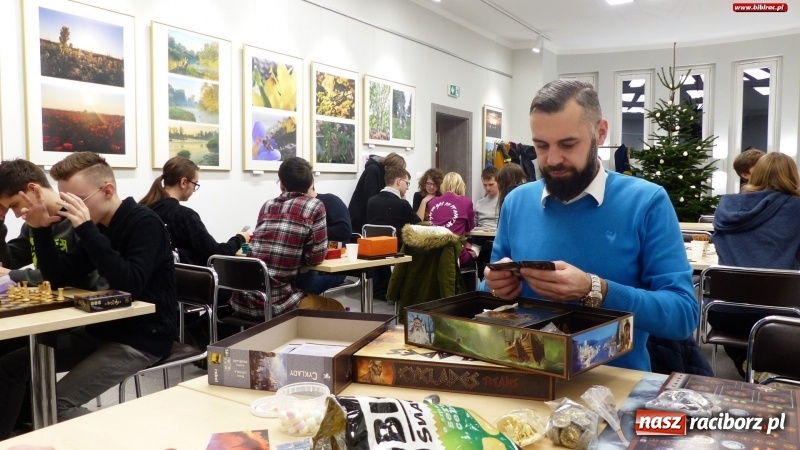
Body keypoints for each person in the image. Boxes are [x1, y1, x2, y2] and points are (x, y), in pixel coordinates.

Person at [483, 79, 697, 372]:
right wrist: (495, 287)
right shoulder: (517, 202)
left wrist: (596, 289)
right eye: (541, 146)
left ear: (600, 131)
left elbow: (682, 316)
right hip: (526, 376)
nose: (553, 159)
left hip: (616, 384)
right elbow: (489, 292)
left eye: (568, 144)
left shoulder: (646, 202)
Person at [0, 152, 177, 433]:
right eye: (66, 199)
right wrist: (41, 230)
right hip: (100, 329)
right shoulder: (98, 226)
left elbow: (131, 283)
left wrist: (86, 229)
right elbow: (59, 278)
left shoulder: (145, 223)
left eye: (77, 200)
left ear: (107, 190)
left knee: (55, 405)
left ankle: (132, 440)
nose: (70, 208)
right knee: (11, 365)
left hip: (142, 338)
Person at [709, 152, 800, 377]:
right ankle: (767, 368)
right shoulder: (796, 208)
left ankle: (745, 361)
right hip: (782, 313)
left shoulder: (726, 206)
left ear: (754, 174)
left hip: (724, 310)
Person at [230, 157, 344, 319]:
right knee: (336, 308)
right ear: (311, 182)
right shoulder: (315, 205)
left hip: (242, 301)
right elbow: (315, 258)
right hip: (276, 304)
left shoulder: (267, 205)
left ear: (281, 184)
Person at [0, 159, 107, 291]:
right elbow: (7, 262)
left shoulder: (80, 218)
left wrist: (13, 274)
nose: (16, 215)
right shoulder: (32, 223)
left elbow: (74, 276)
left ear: (33, 189)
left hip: (86, 302)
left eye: (14, 205)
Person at [139, 156, 250, 266]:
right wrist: (240, 238)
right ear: (183, 182)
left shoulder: (144, 209)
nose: (194, 190)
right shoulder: (184, 216)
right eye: (195, 184)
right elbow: (216, 254)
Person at [366, 166, 421, 300]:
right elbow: (418, 224)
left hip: (374, 249)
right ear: (399, 182)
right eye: (407, 183)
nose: (408, 187)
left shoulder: (372, 201)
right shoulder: (402, 204)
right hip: (395, 249)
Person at [295, 187, 352, 294]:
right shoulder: (294, 206)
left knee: (301, 289)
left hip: (333, 265)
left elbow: (344, 230)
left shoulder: (329, 200)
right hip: (305, 265)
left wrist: (314, 231)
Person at [348, 153, 406, 236]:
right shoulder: (373, 170)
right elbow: (372, 197)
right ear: (387, 167)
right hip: (360, 217)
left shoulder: (381, 172)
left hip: (369, 214)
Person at [428, 172, 475, 266]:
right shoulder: (466, 201)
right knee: (473, 257)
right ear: (461, 186)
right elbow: (470, 227)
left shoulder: (432, 202)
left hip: (434, 254)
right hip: (456, 254)